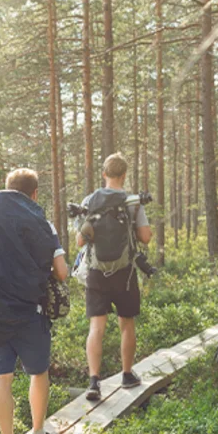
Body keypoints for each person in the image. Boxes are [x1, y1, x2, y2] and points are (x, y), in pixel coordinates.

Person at [0, 169, 69, 434]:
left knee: (3, 377)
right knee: (38, 373)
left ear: (5, 191)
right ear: (35, 194)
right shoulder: (42, 224)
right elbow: (61, 272)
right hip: (30, 314)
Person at [77, 154, 152, 399]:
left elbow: (79, 240)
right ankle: (127, 374)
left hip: (97, 272)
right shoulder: (132, 202)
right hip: (125, 273)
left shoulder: (89, 201)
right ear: (124, 175)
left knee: (96, 327)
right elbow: (146, 236)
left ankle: (93, 382)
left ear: (104, 174)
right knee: (126, 323)